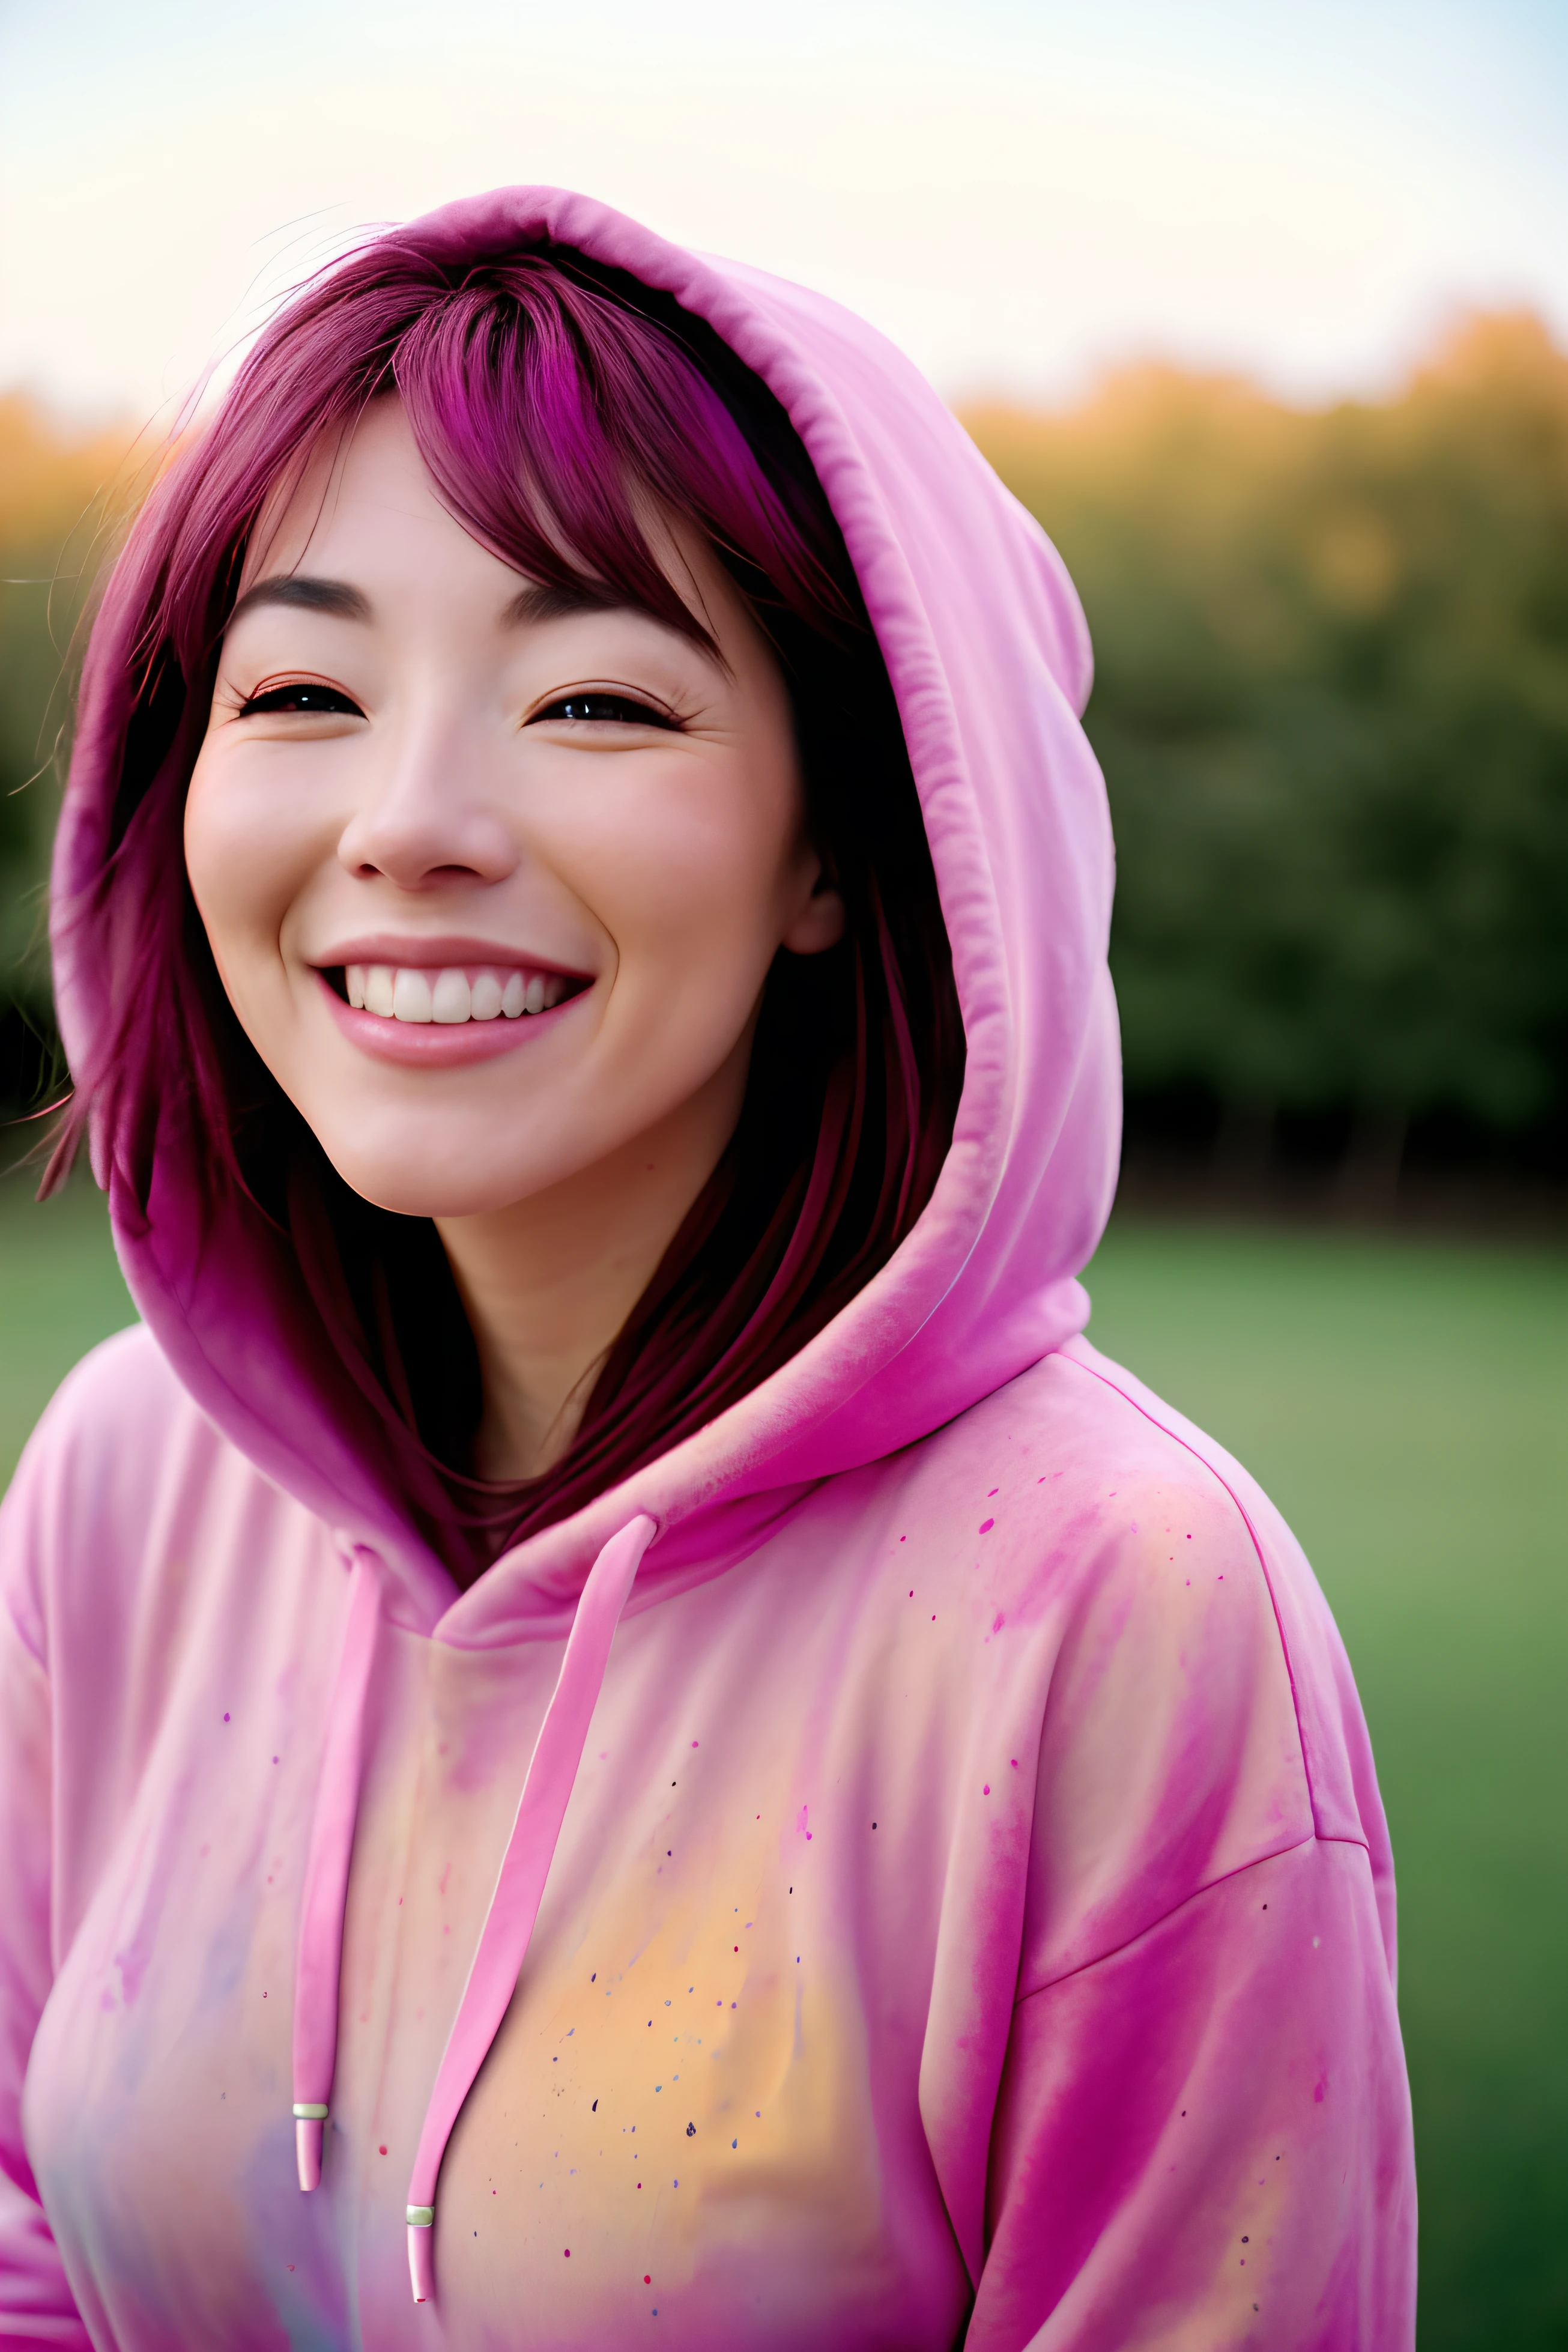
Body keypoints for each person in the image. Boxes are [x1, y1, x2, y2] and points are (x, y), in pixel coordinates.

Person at [0, 186, 1415, 2350]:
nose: (411, 819)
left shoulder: (1126, 1603)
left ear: (851, 845)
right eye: (300, 687)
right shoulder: (122, 1481)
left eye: (592, 704)